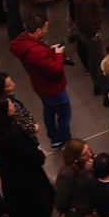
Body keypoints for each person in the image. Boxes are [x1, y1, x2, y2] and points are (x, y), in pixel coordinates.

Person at [0, 95, 56, 217]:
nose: (13, 107)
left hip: (16, 177)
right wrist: (38, 154)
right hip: (24, 178)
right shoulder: (10, 135)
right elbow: (27, 154)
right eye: (10, 106)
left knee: (27, 206)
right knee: (32, 205)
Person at [10, 19, 73, 148]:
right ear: (38, 30)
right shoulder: (36, 51)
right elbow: (55, 69)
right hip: (54, 88)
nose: (46, 30)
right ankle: (67, 142)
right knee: (64, 115)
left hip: (41, 86)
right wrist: (58, 55)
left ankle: (54, 138)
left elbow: (41, 60)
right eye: (45, 28)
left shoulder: (24, 42)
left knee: (49, 111)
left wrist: (49, 50)